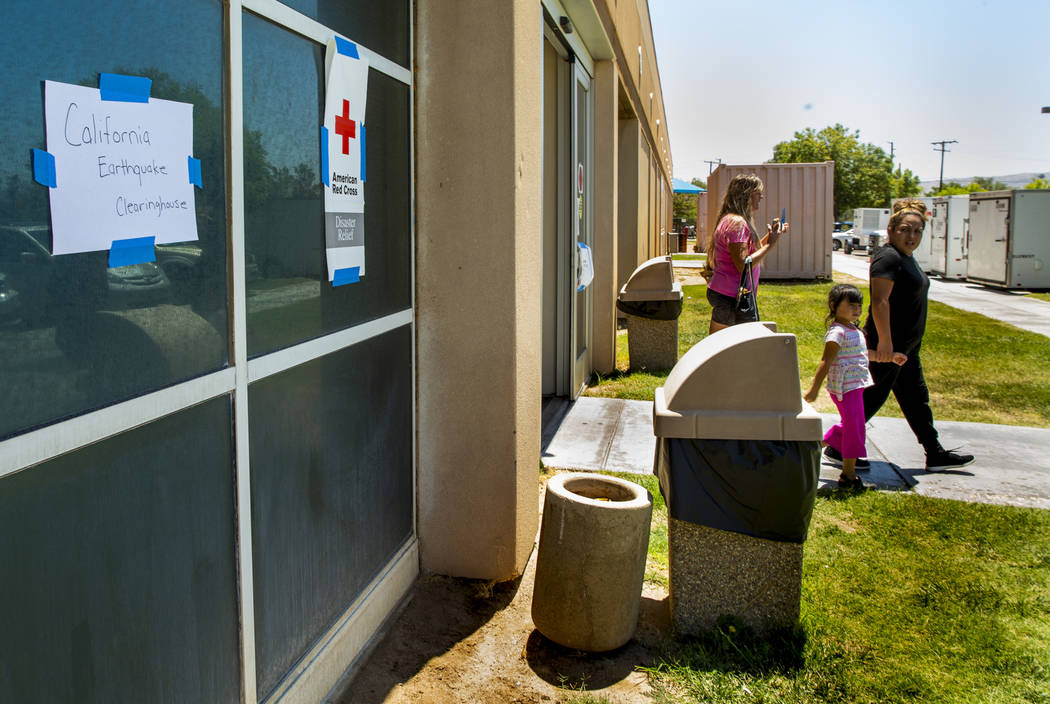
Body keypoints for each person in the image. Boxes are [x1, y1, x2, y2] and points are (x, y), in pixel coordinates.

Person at [824, 198, 974, 471]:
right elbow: (880, 301)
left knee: (917, 400)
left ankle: (934, 452)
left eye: (917, 231)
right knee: (869, 399)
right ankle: (838, 447)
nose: (912, 236)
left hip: (906, 348)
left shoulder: (906, 258)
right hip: (889, 348)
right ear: (891, 230)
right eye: (905, 229)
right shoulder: (888, 257)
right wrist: (885, 343)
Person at [805, 285, 902, 489]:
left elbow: (864, 354)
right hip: (845, 388)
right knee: (855, 428)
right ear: (834, 305)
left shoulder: (853, 330)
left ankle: (809, 448)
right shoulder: (837, 332)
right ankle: (848, 476)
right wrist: (814, 389)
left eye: (859, 305)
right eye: (851, 305)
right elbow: (826, 361)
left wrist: (891, 358)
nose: (856, 309)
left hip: (855, 387)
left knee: (851, 426)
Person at [704, 174, 788, 334]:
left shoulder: (732, 219)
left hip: (730, 294)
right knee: (722, 348)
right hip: (731, 296)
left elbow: (751, 253)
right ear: (746, 195)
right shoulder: (737, 223)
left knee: (731, 346)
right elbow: (743, 264)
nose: (761, 197)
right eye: (758, 193)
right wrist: (771, 244)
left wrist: (772, 237)